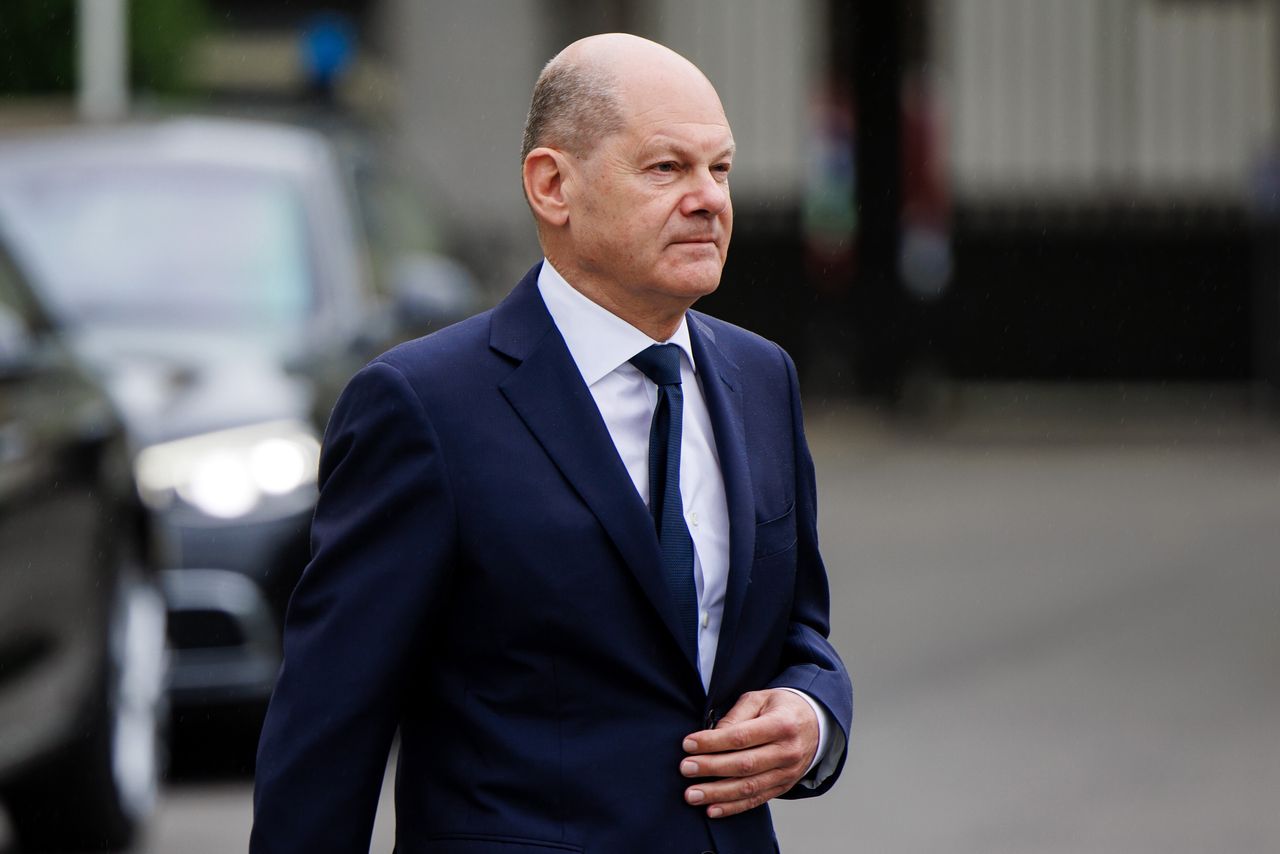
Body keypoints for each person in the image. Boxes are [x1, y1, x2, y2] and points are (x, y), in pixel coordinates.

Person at [250, 33, 851, 854]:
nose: (709, 198)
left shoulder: (762, 378)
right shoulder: (422, 409)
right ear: (552, 185)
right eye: (667, 168)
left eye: (722, 169)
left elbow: (798, 635)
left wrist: (812, 716)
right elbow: (327, 735)